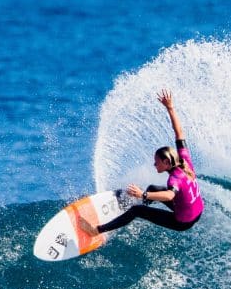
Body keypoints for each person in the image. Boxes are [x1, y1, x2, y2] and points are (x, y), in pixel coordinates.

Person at [80, 89, 203, 236]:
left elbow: (170, 196)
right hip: (196, 211)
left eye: (157, 162)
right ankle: (131, 212)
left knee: (137, 211)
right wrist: (170, 108)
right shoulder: (184, 161)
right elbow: (179, 133)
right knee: (153, 188)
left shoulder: (174, 179)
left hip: (183, 222)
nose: (154, 164)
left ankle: (96, 231)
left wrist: (143, 195)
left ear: (166, 162)